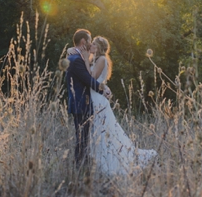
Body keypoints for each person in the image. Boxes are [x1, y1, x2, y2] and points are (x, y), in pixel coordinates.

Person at [86, 36, 158, 175]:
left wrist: (84, 58)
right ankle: (98, 162)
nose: (91, 45)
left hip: (97, 100)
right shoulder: (95, 59)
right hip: (95, 97)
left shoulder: (101, 59)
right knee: (99, 131)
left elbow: (92, 78)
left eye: (94, 44)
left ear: (100, 47)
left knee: (103, 131)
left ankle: (110, 163)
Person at [65, 29, 112, 167]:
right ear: (83, 42)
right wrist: (103, 89)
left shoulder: (76, 57)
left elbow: (90, 76)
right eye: (90, 41)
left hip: (86, 103)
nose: (91, 44)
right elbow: (88, 79)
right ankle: (80, 167)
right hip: (81, 104)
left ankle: (84, 165)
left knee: (85, 138)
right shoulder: (76, 59)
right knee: (82, 139)